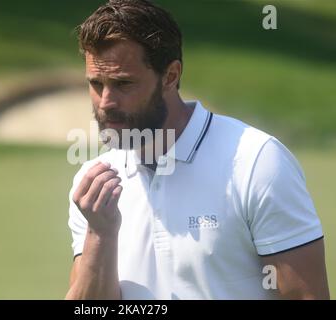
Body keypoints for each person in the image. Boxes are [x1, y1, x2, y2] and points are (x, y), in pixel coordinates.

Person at [65, 0, 329, 300]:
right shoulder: (92, 184)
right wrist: (100, 234)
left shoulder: (258, 162)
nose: (105, 102)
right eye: (96, 84)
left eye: (123, 84)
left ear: (171, 76)